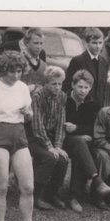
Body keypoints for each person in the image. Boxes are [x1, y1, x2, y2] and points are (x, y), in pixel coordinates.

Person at [0, 51, 45, 221]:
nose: (15, 75)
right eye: (11, 71)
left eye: (19, 71)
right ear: (2, 70)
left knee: (28, 187)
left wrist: (28, 113)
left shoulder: (23, 87)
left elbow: (29, 114)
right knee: (2, 187)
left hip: (19, 135)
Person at [63, 69, 110, 213]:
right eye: (80, 87)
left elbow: (93, 127)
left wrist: (77, 128)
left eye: (86, 87)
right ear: (73, 85)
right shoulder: (64, 99)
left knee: (82, 147)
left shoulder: (93, 103)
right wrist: (74, 131)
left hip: (84, 141)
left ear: (91, 87)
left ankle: (75, 195)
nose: (83, 91)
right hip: (62, 140)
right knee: (80, 145)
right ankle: (96, 182)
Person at [26, 66, 70, 210]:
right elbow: (37, 126)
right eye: (53, 84)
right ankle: (35, 196)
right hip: (33, 137)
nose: (57, 87)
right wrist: (50, 148)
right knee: (50, 157)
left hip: (49, 137)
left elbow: (60, 124)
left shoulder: (62, 96)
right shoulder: (38, 96)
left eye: (60, 84)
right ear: (46, 83)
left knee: (63, 159)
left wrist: (57, 146)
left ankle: (51, 193)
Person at [63, 28, 108, 109]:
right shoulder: (78, 61)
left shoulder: (104, 62)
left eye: (100, 43)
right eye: (94, 43)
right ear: (87, 43)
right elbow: (67, 86)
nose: (98, 46)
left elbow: (103, 88)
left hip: (98, 109)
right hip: (81, 108)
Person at [0, 28, 47, 92]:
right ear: (27, 43)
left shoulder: (43, 64)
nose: (38, 46)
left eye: (41, 43)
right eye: (35, 43)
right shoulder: (19, 60)